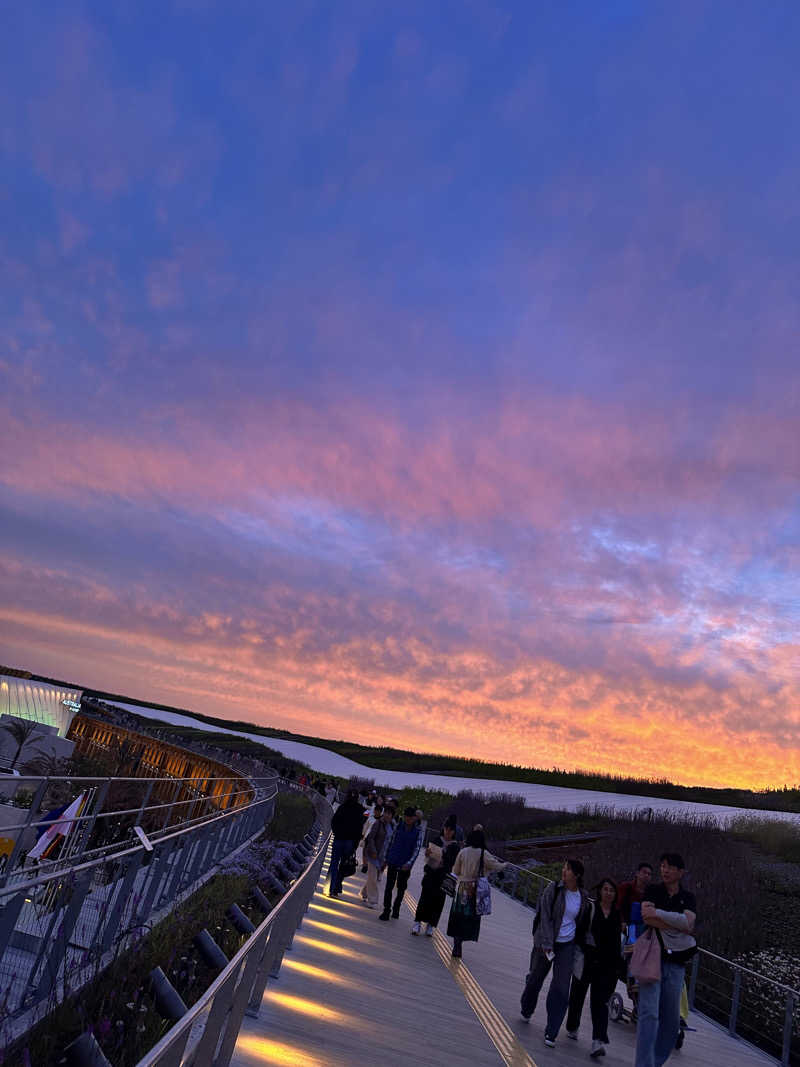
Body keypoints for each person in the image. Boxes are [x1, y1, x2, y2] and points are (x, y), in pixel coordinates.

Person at [520, 858, 593, 1048]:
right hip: (546, 942)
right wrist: (546, 942)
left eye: (568, 869)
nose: (564, 871)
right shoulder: (553, 889)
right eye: (564, 867)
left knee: (561, 989)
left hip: (567, 946)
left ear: (576, 875)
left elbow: (583, 924)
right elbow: (544, 915)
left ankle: (551, 1031)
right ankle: (527, 1008)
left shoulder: (583, 897)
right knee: (535, 979)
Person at [635, 852, 697, 1067]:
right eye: (662, 866)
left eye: (669, 867)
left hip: (676, 963)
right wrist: (677, 923)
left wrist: (659, 915)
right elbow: (646, 916)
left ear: (681, 872)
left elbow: (689, 924)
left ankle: (655, 1062)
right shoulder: (653, 890)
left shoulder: (688, 897)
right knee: (649, 1014)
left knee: (671, 1023)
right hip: (652, 956)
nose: (664, 870)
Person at [565, 877, 622, 1058]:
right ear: (600, 891)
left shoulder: (616, 915)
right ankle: (572, 1026)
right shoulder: (591, 908)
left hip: (606, 965)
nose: (608, 893)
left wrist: (616, 969)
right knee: (577, 995)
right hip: (587, 959)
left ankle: (597, 1041)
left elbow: (616, 944)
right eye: (605, 889)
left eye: (612, 890)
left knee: (600, 1003)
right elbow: (580, 932)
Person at [447, 826, 506, 958]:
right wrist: (505, 865)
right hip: (474, 890)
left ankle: (456, 943)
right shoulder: (484, 853)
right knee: (470, 918)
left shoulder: (463, 851)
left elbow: (455, 871)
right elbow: (496, 865)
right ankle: (461, 941)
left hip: (461, 888)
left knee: (458, 917)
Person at [412, 821, 460, 936]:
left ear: (454, 832)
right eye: (446, 829)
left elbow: (454, 863)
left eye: (450, 830)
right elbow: (428, 855)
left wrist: (444, 857)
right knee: (424, 898)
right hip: (431, 873)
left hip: (443, 877)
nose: (447, 832)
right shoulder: (436, 840)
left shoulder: (455, 846)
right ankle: (417, 922)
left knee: (438, 902)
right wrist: (428, 853)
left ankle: (431, 925)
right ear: (443, 829)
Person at [379, 806, 423, 920]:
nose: (407, 819)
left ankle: (396, 908)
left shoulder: (418, 832)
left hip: (405, 865)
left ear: (414, 818)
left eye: (410, 817)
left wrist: (409, 863)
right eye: (406, 816)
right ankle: (386, 910)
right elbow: (390, 842)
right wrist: (385, 859)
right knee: (389, 887)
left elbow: (416, 850)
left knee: (401, 888)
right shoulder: (398, 826)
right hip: (393, 860)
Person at [328, 790, 364, 898]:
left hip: (339, 839)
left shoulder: (342, 807)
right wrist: (355, 845)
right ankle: (336, 888)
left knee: (334, 864)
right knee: (343, 865)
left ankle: (330, 887)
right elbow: (359, 829)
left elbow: (333, 822)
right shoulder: (359, 810)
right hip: (350, 842)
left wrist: (336, 833)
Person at [361, 805, 391, 908]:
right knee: (373, 878)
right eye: (386, 813)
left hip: (382, 857)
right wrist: (373, 850)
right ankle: (373, 900)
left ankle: (364, 893)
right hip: (373, 854)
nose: (388, 815)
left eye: (390, 814)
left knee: (372, 877)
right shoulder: (378, 823)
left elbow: (390, 842)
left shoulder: (392, 827)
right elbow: (371, 838)